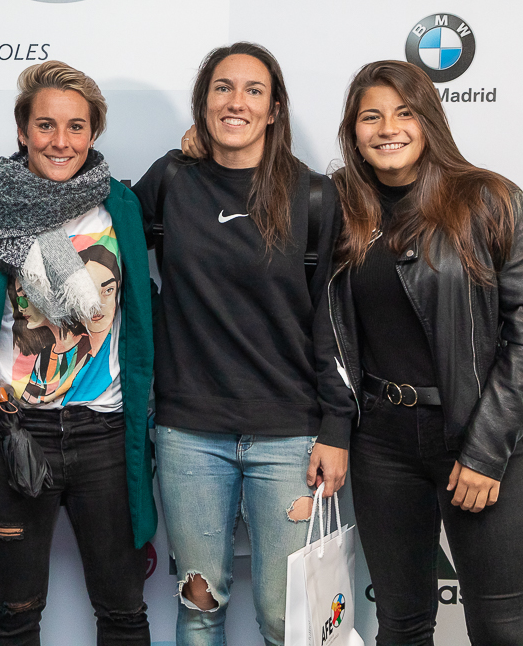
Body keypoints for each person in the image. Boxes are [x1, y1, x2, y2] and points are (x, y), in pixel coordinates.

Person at [329, 60, 523, 645]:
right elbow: (258, 192)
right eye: (370, 116)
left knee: (503, 633)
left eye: (404, 112)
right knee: (401, 628)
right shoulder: (338, 208)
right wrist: (198, 146)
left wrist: (486, 451)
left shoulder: (490, 200)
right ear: (353, 131)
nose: (388, 128)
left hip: (476, 438)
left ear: (429, 119)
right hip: (381, 445)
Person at [0, 60, 157, 645]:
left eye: (77, 127)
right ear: (23, 130)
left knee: (124, 611)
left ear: (94, 133)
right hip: (14, 432)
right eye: (47, 126)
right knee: (15, 613)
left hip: (104, 433)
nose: (62, 141)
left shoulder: (119, 206)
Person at [132, 42, 353, 646]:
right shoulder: (172, 181)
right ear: (203, 104)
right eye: (222, 88)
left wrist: (336, 426)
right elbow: (106, 238)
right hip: (188, 433)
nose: (237, 102)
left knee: (287, 618)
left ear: (275, 108)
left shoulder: (312, 195)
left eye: (253, 90)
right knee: (199, 605)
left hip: (288, 434)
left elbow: (332, 319)